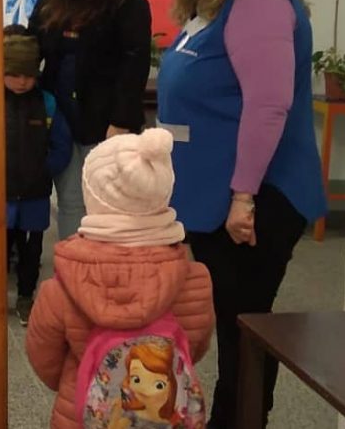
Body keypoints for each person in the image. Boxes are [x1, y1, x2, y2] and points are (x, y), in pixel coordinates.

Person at [157, 0, 327, 426]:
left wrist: (243, 197)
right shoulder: (220, 0)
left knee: (246, 328)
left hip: (254, 197)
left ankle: (243, 418)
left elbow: (269, 106)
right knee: (234, 324)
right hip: (213, 194)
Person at [25, 129, 215, 429]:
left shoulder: (60, 286)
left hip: (82, 411)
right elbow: (193, 348)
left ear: (92, 196)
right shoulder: (195, 280)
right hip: (164, 415)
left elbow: (43, 359)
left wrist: (87, 376)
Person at [28, 0, 152, 240]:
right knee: (70, 200)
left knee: (106, 202)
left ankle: (105, 274)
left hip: (106, 118)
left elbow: (134, 62)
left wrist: (121, 121)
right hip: (60, 115)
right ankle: (73, 268)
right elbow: (32, 44)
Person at [0, 27, 72, 325]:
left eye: (28, 75)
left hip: (35, 196)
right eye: (14, 74)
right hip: (0, 194)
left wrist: (45, 168)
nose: (22, 81)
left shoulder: (48, 103)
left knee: (31, 251)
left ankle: (26, 296)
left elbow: (61, 145)